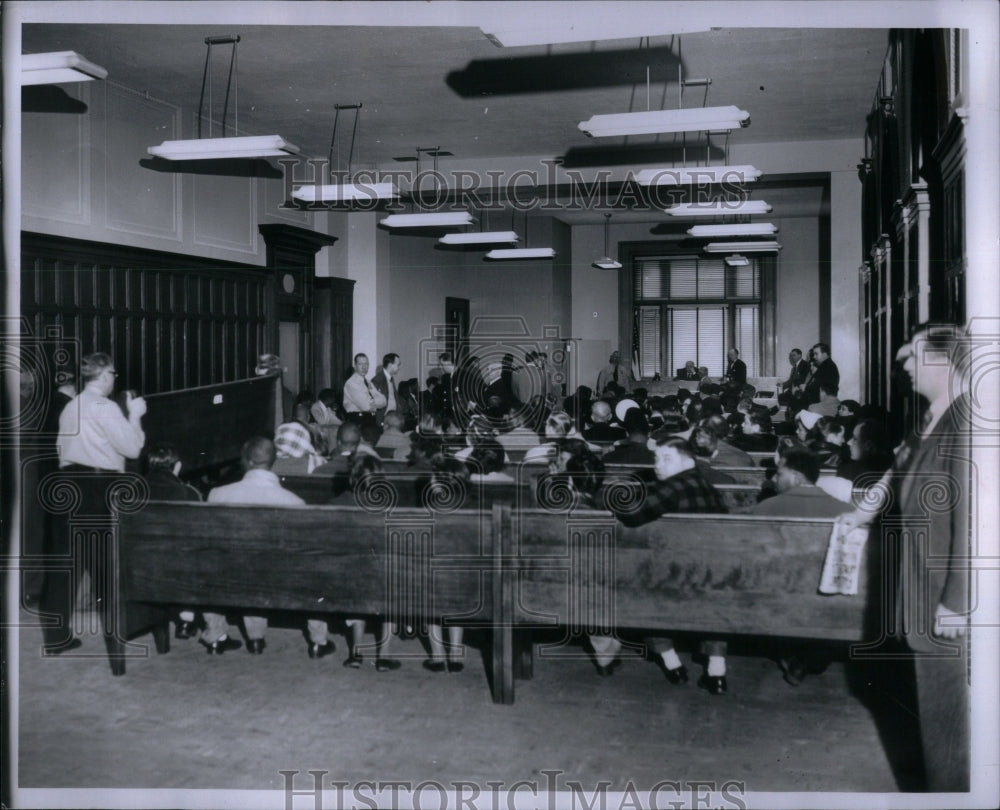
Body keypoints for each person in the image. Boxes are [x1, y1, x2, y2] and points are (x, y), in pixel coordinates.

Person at [836, 322, 971, 791]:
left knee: (949, 726)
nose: (905, 367)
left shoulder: (968, 421)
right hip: (917, 586)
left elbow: (977, 519)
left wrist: (958, 598)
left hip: (944, 598)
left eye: (912, 358)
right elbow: (898, 469)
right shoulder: (932, 416)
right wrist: (861, 512)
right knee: (929, 720)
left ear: (940, 359)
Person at [592, 437, 729, 693]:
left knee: (645, 589)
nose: (657, 465)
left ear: (688, 462)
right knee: (712, 607)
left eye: (667, 459)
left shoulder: (672, 487)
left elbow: (632, 515)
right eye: (656, 458)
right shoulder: (709, 488)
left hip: (673, 577)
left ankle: (672, 663)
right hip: (711, 576)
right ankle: (717, 672)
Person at [45, 352, 147, 654]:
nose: (115, 379)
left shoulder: (71, 405)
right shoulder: (105, 406)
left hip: (66, 483)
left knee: (65, 562)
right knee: (105, 562)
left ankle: (55, 638)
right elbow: (132, 448)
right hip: (98, 486)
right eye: (113, 374)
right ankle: (115, 635)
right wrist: (136, 415)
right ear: (103, 375)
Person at [207, 437, 335, 658]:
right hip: (281, 576)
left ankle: (220, 636)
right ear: (273, 461)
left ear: (246, 461)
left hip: (230, 571)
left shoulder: (218, 494)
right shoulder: (294, 501)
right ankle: (318, 641)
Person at [332, 454, 402, 672]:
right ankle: (384, 656)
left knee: (358, 587)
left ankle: (356, 653)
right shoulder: (388, 505)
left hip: (349, 574)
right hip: (382, 575)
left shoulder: (337, 503)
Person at [142, 443, 208, 641]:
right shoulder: (186, 492)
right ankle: (186, 619)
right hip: (176, 567)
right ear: (177, 467)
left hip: (139, 565)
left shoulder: (132, 489)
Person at [343, 353, 386, 437]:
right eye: (360, 364)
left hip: (370, 421)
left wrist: (373, 402)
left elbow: (384, 401)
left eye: (366, 364)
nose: (364, 367)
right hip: (358, 423)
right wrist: (377, 402)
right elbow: (366, 406)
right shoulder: (352, 383)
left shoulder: (367, 381)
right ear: (355, 366)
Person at [803, 343, 840, 407]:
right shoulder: (824, 366)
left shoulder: (828, 367)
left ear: (824, 354)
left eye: (816, 354)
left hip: (823, 404)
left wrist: (805, 387)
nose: (814, 357)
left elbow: (818, 386)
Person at [371, 352, 402, 425]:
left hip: (392, 418)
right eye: (398, 365)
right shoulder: (377, 380)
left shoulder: (390, 378)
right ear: (391, 365)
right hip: (383, 420)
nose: (399, 367)